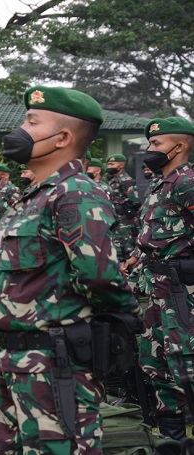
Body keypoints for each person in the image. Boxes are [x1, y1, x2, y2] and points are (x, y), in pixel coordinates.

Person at [0, 86, 139, 453]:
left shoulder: (76, 194)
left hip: (54, 367)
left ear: (63, 137)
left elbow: (99, 276)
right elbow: (0, 292)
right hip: (8, 364)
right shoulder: (31, 198)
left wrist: (120, 320)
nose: (20, 128)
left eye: (32, 121)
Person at [121, 117, 194, 442]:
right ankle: (172, 440)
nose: (149, 150)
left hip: (184, 294)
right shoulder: (157, 185)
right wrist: (133, 260)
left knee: (187, 366)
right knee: (157, 366)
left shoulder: (188, 183)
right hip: (155, 291)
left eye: (156, 144)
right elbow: (151, 236)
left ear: (179, 147)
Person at [105, 153, 141, 262]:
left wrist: (132, 218)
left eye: (112, 164)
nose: (109, 167)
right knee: (117, 247)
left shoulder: (125, 180)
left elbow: (135, 201)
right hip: (116, 219)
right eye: (108, 164)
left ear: (121, 165)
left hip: (126, 221)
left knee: (127, 248)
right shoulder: (113, 180)